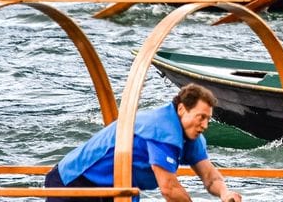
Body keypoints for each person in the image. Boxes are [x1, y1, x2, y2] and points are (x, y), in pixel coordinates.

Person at [44, 84, 241, 202]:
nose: (205, 125)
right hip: (74, 182)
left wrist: (224, 193)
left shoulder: (192, 134)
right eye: (201, 117)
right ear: (182, 109)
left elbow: (209, 176)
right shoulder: (162, 130)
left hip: (117, 188)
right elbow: (169, 189)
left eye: (208, 119)